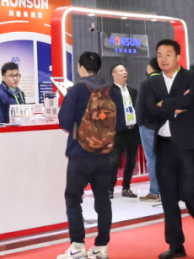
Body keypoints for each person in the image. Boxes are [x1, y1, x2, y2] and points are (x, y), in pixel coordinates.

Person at [140, 39, 194, 259]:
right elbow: (146, 112)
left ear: (177, 57)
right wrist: (173, 107)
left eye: (168, 54)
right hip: (164, 145)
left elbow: (189, 101)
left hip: (187, 145)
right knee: (168, 197)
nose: (163, 59)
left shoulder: (191, 76)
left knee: (187, 191)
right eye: (159, 55)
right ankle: (176, 245)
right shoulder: (150, 83)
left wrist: (162, 105)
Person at [57, 52, 126, 259]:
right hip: (105, 155)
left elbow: (64, 120)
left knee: (73, 199)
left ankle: (78, 245)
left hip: (79, 154)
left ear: (81, 68)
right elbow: (121, 123)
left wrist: (81, 131)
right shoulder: (113, 91)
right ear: (100, 68)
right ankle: (101, 247)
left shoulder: (76, 90)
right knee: (103, 200)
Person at [110, 63, 139, 199]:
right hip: (118, 131)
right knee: (114, 161)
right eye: (121, 70)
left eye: (125, 70)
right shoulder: (108, 91)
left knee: (131, 161)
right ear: (114, 74)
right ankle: (109, 189)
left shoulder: (133, 91)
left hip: (133, 130)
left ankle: (126, 187)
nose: (124, 72)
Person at [136, 57, 163, 203]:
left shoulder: (146, 83)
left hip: (148, 126)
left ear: (150, 67)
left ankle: (154, 192)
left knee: (152, 159)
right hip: (165, 126)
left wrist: (140, 124)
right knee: (166, 159)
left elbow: (140, 106)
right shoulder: (168, 81)